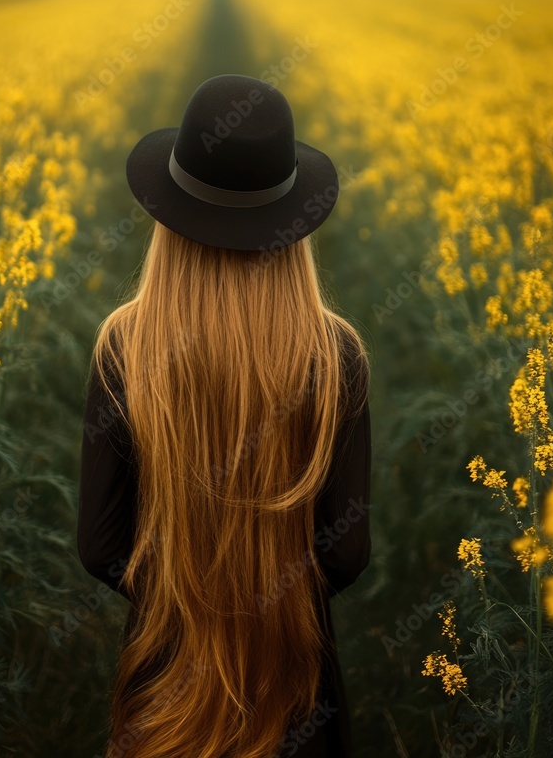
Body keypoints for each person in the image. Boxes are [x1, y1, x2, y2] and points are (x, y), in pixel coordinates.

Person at [77, 74, 372, 757]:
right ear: (293, 225)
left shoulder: (124, 344)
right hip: (298, 682)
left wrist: (186, 588)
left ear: (167, 218)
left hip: (163, 672)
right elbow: (346, 550)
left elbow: (99, 544)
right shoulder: (337, 355)